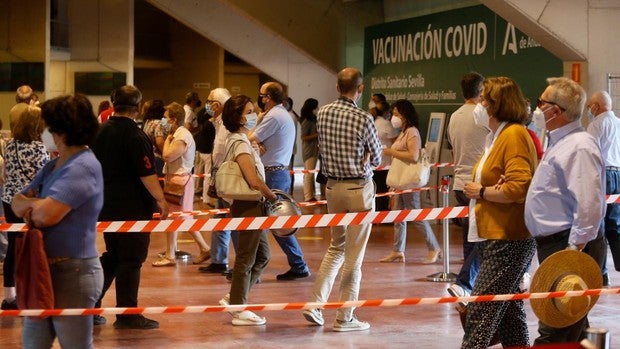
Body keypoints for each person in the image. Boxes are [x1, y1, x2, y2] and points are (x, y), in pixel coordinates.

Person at [11, 94, 103, 348]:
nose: (46, 132)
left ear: (61, 132)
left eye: (49, 127)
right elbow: (16, 203)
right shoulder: (53, 166)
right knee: (33, 344)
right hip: (42, 269)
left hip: (73, 272)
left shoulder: (83, 166)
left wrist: (33, 205)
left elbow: (44, 215)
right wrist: (33, 204)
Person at [525, 77, 607, 345]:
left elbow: (590, 203)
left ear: (555, 111)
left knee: (555, 325)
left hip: (569, 245)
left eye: (541, 103)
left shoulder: (580, 146)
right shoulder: (561, 141)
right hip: (556, 243)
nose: (537, 109)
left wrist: (574, 251)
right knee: (572, 320)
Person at [460, 76, 537, 348]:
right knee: (508, 315)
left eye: (483, 100)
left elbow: (518, 187)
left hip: (509, 239)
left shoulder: (514, 135)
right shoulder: (497, 136)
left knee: (480, 315)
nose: (479, 104)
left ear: (496, 104)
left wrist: (481, 191)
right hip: (497, 235)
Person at [302, 67, 381, 332]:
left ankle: (314, 305)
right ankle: (345, 317)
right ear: (360, 89)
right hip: (358, 188)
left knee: (336, 248)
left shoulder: (322, 112)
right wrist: (367, 156)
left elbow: (324, 147)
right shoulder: (364, 118)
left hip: (332, 188)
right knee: (354, 256)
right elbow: (378, 158)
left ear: (337, 88)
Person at [92, 85, 169, 329]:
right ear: (137, 109)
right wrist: (161, 199)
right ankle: (127, 314)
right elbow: (146, 172)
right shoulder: (135, 136)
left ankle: (90, 305)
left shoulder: (99, 132)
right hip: (132, 209)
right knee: (132, 258)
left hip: (105, 206)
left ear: (113, 105)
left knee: (114, 255)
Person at [217, 94, 278, 326]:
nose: (255, 115)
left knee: (263, 255)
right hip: (249, 205)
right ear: (238, 117)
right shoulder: (240, 142)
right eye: (250, 111)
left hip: (253, 205)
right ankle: (239, 308)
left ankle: (234, 298)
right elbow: (252, 180)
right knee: (246, 257)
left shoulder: (241, 140)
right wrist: (272, 195)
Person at [249, 82, 310, 281]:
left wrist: (257, 136)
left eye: (262, 96)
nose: (260, 99)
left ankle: (255, 269)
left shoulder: (273, 116)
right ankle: (298, 264)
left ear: (268, 97)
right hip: (277, 172)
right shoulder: (280, 114)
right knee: (278, 224)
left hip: (272, 174)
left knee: (264, 224)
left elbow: (250, 137)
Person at [380, 99, 441, 264]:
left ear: (405, 115)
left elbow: (413, 156)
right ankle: (397, 250)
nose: (394, 117)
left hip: (409, 181)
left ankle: (433, 247)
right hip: (400, 181)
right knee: (399, 216)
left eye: (396, 114)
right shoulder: (403, 132)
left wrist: (391, 151)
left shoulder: (412, 132)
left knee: (415, 214)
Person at [1, 106, 49, 310]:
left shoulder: (10, 145)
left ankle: (10, 296)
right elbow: (44, 177)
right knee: (35, 245)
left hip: (10, 199)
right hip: (31, 202)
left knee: (13, 245)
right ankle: (32, 292)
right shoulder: (39, 148)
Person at [152, 102, 211, 267]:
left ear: (173, 119)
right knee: (178, 217)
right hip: (175, 180)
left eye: (165, 118)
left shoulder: (181, 136)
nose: (163, 121)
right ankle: (195, 249)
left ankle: (176, 254)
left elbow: (168, 156)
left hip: (180, 181)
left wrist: (167, 141)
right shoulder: (176, 133)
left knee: (180, 217)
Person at [445, 72, 487, 304]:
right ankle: (464, 283)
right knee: (484, 238)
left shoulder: (455, 116)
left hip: (459, 182)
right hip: (478, 183)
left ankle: (469, 288)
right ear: (481, 92)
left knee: (469, 238)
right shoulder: (483, 115)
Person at [199, 87, 237, 274]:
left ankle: (242, 264)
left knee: (233, 221)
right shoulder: (217, 123)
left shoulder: (227, 125)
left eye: (209, 102)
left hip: (228, 178)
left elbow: (223, 154)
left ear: (217, 104)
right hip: (221, 177)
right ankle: (219, 260)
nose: (207, 105)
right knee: (220, 218)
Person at [587, 91, 620, 285]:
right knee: (616, 226)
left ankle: (600, 274)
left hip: (603, 175)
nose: (590, 110)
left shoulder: (596, 124)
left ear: (596, 107)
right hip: (618, 174)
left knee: (598, 226)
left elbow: (590, 154)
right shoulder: (618, 123)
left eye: (590, 106)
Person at [372, 101, 398, 211]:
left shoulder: (373, 121)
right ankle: (383, 213)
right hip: (385, 162)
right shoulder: (386, 124)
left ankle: (377, 211)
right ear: (387, 112)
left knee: (376, 189)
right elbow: (396, 142)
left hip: (374, 162)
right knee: (383, 189)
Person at [299, 98, 321, 201]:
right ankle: (308, 196)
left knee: (310, 173)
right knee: (309, 174)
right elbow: (303, 137)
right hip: (309, 151)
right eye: (316, 106)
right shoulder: (306, 121)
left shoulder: (313, 119)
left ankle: (310, 194)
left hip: (313, 150)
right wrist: (317, 135)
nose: (317, 108)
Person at [193, 103, 216, 199]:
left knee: (198, 173)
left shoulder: (204, 124)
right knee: (208, 176)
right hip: (207, 152)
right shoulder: (211, 124)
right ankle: (206, 197)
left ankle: (196, 190)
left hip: (200, 150)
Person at [141, 99, 167, 177]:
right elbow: (160, 142)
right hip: (158, 158)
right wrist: (167, 155)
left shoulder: (148, 122)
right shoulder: (158, 123)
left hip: (150, 157)